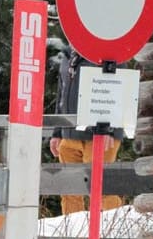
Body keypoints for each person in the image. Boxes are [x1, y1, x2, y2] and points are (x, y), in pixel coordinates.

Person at [49, 46, 124, 214]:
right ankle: (74, 234)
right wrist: (57, 132)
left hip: (99, 134)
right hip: (69, 134)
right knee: (70, 191)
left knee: (100, 189)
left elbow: (120, 89)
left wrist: (110, 130)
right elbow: (61, 96)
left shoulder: (108, 49)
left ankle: (111, 233)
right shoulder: (67, 56)